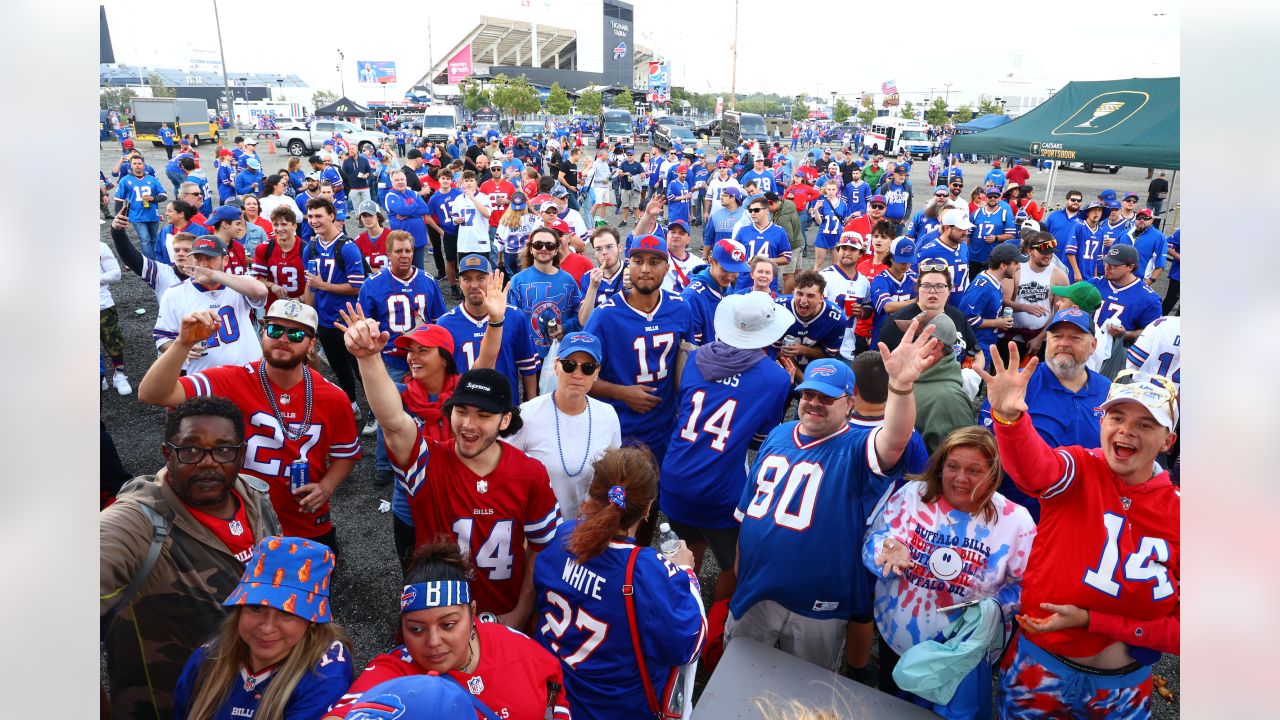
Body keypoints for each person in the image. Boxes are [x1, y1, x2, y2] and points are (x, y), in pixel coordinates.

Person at [726, 321, 942, 673]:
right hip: (755, 592)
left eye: (827, 398)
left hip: (817, 607)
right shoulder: (778, 435)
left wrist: (901, 387)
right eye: (809, 394)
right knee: (738, 676)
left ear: (850, 403)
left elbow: (894, 440)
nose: (814, 403)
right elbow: (747, 512)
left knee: (803, 695)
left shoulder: (856, 448)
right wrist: (740, 569)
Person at [980, 350, 1180, 719]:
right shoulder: (1079, 467)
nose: (1126, 430)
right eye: (1116, 417)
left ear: (1168, 441)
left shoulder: (1185, 515)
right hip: (1041, 670)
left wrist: (1093, 621)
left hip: (1123, 688)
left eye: (1146, 424)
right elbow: (1035, 468)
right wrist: (1009, 420)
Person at [346, 301, 563, 623]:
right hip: (438, 624)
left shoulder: (529, 472)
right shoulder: (429, 460)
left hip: (504, 614)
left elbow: (540, 547)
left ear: (505, 421)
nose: (469, 424)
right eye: (461, 412)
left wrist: (521, 611)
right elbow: (393, 422)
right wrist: (368, 358)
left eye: (484, 416)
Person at [101, 397, 282, 720]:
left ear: (241, 454)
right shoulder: (137, 522)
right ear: (167, 454)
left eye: (223, 449)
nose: (208, 462)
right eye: (190, 450)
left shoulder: (256, 495)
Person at [865, 426, 1035, 718]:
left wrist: (992, 605)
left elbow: (1028, 585)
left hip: (961, 653)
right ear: (940, 465)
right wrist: (885, 549)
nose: (960, 478)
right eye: (952, 466)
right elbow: (874, 540)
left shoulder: (1015, 521)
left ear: (993, 475)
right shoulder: (913, 495)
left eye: (974, 470)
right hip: (899, 642)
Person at [533, 447, 707, 720]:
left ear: (594, 493)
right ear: (648, 508)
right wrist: (685, 572)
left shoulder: (566, 535)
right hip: (612, 709)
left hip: (549, 694)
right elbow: (690, 645)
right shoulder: (647, 571)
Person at [323, 541, 570, 719]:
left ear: (473, 615)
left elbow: (555, 695)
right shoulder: (396, 672)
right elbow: (349, 710)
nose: (432, 642)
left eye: (448, 625)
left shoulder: (517, 646)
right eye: (416, 629)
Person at [661, 292, 793, 602]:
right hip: (720, 488)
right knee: (735, 567)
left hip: (676, 473)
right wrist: (784, 388)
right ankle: (715, 632)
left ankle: (678, 613)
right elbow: (760, 440)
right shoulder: (774, 377)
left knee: (683, 555)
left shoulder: (696, 357)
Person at [173, 536, 353, 720]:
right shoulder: (205, 660)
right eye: (256, 607)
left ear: (313, 619)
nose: (267, 628)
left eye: (287, 613)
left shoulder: (325, 677)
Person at [584, 234, 693, 500]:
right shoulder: (605, 315)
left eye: (655, 261)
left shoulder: (681, 307)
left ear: (667, 267)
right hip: (618, 427)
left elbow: (685, 364)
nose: (645, 269)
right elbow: (577, 379)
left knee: (650, 500)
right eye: (638, 261)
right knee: (615, 503)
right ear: (628, 264)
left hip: (663, 424)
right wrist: (622, 393)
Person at [506, 332, 622, 517]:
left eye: (588, 368)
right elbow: (505, 470)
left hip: (588, 529)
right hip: (539, 529)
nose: (577, 374)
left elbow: (614, 475)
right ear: (556, 366)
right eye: (569, 365)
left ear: (597, 373)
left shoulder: (608, 415)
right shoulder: (527, 414)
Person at [153, 236, 269, 373]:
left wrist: (213, 274)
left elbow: (261, 291)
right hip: (203, 379)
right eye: (198, 258)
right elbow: (162, 338)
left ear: (225, 260)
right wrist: (180, 347)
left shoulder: (238, 283)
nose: (203, 264)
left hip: (247, 372)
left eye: (209, 258)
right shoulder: (174, 294)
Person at [436, 254, 541, 401]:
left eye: (480, 278)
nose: (474, 285)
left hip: (504, 405)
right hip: (465, 406)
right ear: (459, 283)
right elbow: (441, 376)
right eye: (467, 279)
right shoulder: (445, 324)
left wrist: (530, 405)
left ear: (491, 279)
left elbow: (527, 366)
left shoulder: (514, 316)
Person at [302, 196, 368, 419]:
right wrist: (307, 316)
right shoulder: (310, 247)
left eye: (318, 215)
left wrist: (324, 286)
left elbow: (357, 286)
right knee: (339, 367)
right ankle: (352, 405)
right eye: (310, 216)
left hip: (348, 319)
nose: (314, 220)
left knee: (360, 367)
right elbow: (309, 285)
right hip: (324, 319)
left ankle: (376, 410)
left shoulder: (347, 247)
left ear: (331, 216)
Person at [908, 314, 979, 453]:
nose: (903, 342)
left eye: (912, 337)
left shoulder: (950, 400)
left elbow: (958, 460)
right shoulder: (909, 378)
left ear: (934, 346)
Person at [510, 226, 583, 358]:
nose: (543, 248)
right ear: (531, 249)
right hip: (528, 355)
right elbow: (511, 321)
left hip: (562, 355)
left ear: (556, 250)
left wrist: (564, 327)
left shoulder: (568, 280)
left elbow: (580, 315)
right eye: (538, 244)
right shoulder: (517, 281)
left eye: (549, 245)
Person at [958, 243, 1026, 369]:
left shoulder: (994, 282)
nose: (1019, 267)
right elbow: (967, 318)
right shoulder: (982, 287)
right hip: (976, 347)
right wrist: (997, 323)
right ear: (1003, 265)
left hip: (986, 344)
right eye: (1016, 263)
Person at [1090, 244, 1163, 344]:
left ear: (1130, 267)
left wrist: (1125, 334)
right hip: (1087, 347)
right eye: (1106, 262)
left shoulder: (1149, 299)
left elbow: (1151, 333)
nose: (1107, 267)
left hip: (1117, 354)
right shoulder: (1094, 283)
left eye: (1114, 265)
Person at [818, 234, 871, 358]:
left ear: (861, 254)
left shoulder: (864, 282)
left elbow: (868, 307)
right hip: (822, 343)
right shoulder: (825, 276)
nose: (847, 252)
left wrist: (861, 312)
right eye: (844, 248)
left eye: (852, 249)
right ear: (838, 250)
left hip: (848, 345)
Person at [732, 196, 792, 293]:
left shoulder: (779, 231)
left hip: (767, 283)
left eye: (756, 210)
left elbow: (787, 258)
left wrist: (763, 261)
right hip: (744, 282)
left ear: (766, 211)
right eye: (750, 210)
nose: (753, 213)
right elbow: (733, 255)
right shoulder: (743, 230)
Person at [252, 206, 309, 309]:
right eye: (275, 224)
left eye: (284, 224)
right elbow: (257, 279)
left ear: (295, 226)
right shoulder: (264, 248)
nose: (279, 229)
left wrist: (300, 299)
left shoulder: (306, 250)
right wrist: (271, 285)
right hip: (274, 309)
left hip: (301, 307)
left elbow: (314, 285)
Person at [115, 155, 169, 261]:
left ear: (143, 165)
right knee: (145, 239)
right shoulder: (125, 180)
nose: (137, 166)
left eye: (139, 163)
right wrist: (118, 217)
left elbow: (164, 195)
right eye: (134, 163)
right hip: (136, 216)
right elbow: (118, 200)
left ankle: (156, 261)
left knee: (154, 239)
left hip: (153, 214)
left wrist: (152, 198)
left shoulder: (152, 179)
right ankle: (150, 262)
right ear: (130, 165)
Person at [869, 237, 917, 348]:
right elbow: (888, 307)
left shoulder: (914, 278)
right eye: (901, 260)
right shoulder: (880, 280)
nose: (905, 264)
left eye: (909, 260)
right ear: (891, 258)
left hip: (907, 341)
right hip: (883, 340)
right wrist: (918, 300)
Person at [99, 238, 131, 395]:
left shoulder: (99, 247)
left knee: (113, 341)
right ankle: (99, 376)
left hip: (102, 305)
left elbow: (116, 274)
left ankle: (119, 375)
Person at [915, 209, 973, 294]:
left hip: (960, 305)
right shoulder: (928, 251)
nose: (965, 233)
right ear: (946, 228)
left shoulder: (963, 246)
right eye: (961, 229)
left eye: (967, 229)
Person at [967, 187, 1017, 281]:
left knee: (990, 283)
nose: (993, 198)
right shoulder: (976, 213)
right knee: (973, 282)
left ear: (999, 198)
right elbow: (968, 236)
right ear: (986, 198)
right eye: (990, 196)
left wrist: (996, 238)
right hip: (974, 256)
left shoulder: (1005, 214)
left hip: (993, 258)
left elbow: (1011, 235)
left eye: (995, 196)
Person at [1117, 208, 1167, 284]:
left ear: (1152, 220)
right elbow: (1112, 254)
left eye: (1146, 218)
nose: (1142, 220)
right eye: (1139, 217)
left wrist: (1149, 281)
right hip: (1118, 278)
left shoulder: (1159, 237)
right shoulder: (1124, 233)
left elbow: (1160, 265)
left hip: (1139, 282)